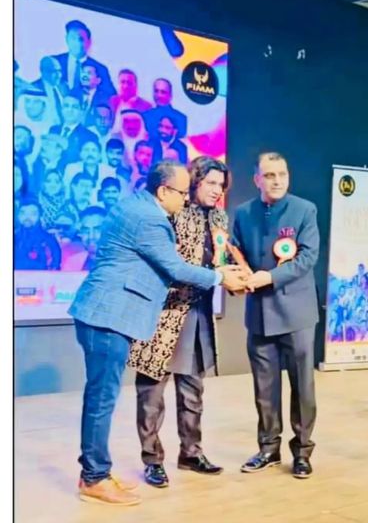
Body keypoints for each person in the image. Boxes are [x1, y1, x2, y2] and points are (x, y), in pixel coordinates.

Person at [68, 160, 248, 506]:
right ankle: (94, 478)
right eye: (182, 192)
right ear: (164, 191)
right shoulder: (151, 218)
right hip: (109, 315)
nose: (186, 199)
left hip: (109, 313)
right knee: (102, 400)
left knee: (102, 398)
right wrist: (221, 278)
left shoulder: (138, 204)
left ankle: (97, 470)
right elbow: (175, 267)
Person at [128, 157, 231, 488]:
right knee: (151, 393)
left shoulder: (219, 217)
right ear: (194, 182)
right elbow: (166, 264)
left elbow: (220, 260)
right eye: (211, 183)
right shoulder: (170, 213)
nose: (217, 190)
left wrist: (234, 276)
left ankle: (191, 453)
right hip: (163, 314)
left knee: (193, 389)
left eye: (221, 185)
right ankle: (152, 460)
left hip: (199, 312)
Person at [232, 151, 319, 479]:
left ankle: (303, 451)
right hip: (259, 314)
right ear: (257, 179)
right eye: (269, 175)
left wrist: (269, 277)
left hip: (297, 313)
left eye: (282, 174)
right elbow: (235, 251)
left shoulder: (304, 210)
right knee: (264, 388)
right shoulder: (243, 213)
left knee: (302, 386)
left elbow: (307, 257)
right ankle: (268, 448)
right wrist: (238, 275)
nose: (277, 180)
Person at [52, 20, 116, 94]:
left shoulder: (100, 69)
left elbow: (111, 96)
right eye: (73, 38)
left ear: (89, 41)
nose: (76, 43)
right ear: (66, 39)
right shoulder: (54, 62)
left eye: (81, 39)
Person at [49, 93, 99, 163]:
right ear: (61, 109)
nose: (70, 110)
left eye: (74, 107)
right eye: (66, 106)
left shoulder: (89, 136)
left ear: (81, 111)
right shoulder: (53, 130)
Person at [14, 199, 61, 270]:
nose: (27, 217)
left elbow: (55, 266)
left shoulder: (49, 240)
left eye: (33, 214)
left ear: (40, 217)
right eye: (23, 213)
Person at [33, 56, 68, 125]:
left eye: (59, 71)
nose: (59, 75)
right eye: (54, 71)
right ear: (43, 71)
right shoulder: (34, 89)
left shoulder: (64, 86)